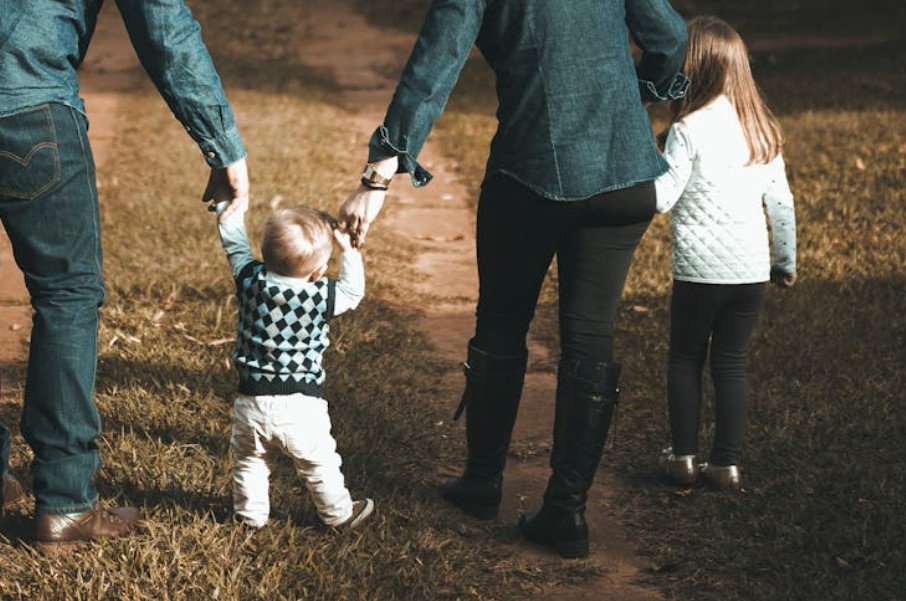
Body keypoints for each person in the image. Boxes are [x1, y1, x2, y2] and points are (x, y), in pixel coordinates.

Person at [339, 0, 689, 558]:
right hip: (626, 175)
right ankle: (567, 512)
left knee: (502, 322)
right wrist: (632, 100)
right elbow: (670, 38)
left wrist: (379, 172)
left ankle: (481, 482)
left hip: (532, 173)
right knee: (590, 337)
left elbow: (437, 62)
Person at [0, 0, 248, 552]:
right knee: (66, 295)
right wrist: (221, 141)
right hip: (27, 102)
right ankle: (64, 503)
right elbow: (161, 22)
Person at [654, 15, 797, 491]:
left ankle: (684, 459)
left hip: (699, 273)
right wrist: (785, 262)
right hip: (751, 271)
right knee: (732, 363)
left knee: (686, 359)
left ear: (692, 68)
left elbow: (662, 198)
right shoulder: (762, 130)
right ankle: (727, 465)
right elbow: (780, 203)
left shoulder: (688, 130)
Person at [213, 200, 374, 530]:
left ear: (265, 254)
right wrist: (349, 252)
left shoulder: (250, 281)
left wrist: (228, 211)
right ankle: (339, 514)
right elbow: (353, 292)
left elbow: (234, 247)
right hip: (301, 405)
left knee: (250, 460)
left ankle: (249, 516)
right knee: (318, 463)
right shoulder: (320, 295)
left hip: (251, 401)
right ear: (317, 272)